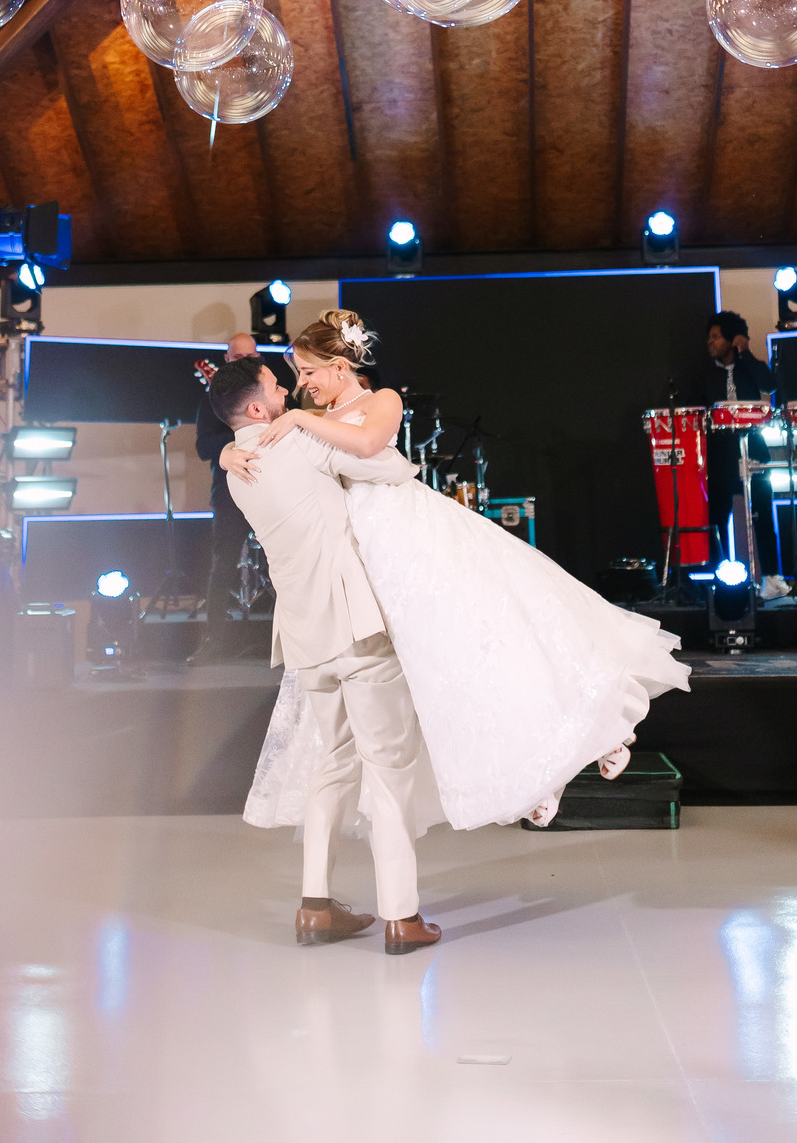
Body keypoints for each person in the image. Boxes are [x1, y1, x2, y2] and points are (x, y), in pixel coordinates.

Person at [223, 309, 690, 842]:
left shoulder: (381, 400)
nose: (301, 385)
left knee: (489, 642)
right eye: (298, 377)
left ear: (337, 365)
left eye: (308, 372)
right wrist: (227, 451)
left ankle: (596, 731)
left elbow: (370, 445)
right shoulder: (308, 414)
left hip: (412, 537)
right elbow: (273, 447)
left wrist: (301, 419)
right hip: (363, 555)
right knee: (441, 676)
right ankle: (533, 776)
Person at [208, 352, 441, 956]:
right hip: (356, 631)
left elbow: (249, 452)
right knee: (389, 767)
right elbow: (391, 467)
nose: (290, 388)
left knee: (333, 763)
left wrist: (229, 447)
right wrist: (314, 424)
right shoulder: (299, 443)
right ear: (259, 407)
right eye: (276, 385)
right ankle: (402, 916)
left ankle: (315, 907)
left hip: (305, 642)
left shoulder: (236, 470)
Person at [190, 332, 259, 665]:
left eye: (251, 358)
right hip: (230, 492)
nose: (245, 364)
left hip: (268, 489)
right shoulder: (212, 400)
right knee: (222, 566)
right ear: (227, 360)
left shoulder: (268, 395)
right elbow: (204, 448)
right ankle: (213, 641)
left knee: (285, 563)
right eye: (238, 358)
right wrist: (237, 434)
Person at [701, 312, 778, 573]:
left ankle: (771, 576)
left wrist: (745, 353)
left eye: (716, 336)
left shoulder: (751, 367)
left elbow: (770, 385)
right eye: (708, 337)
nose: (710, 342)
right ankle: (719, 576)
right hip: (719, 455)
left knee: (764, 516)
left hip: (753, 450)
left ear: (733, 339)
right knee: (717, 518)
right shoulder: (704, 375)